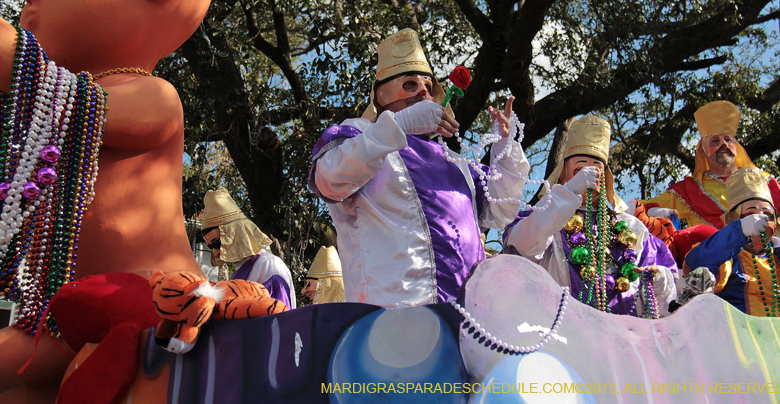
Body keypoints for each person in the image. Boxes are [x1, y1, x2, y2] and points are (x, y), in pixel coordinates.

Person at [0, 0, 213, 401]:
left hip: (144, 297)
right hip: (61, 313)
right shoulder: (46, 106)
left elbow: (89, 109)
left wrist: (14, 62)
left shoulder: (152, 95)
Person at [309, 28, 530, 307]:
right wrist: (397, 126)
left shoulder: (456, 161)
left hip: (466, 322)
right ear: (381, 95)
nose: (423, 92)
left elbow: (500, 212)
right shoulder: (359, 134)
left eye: (429, 86)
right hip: (390, 320)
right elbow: (328, 179)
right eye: (410, 84)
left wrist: (504, 147)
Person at [505, 115, 678, 317]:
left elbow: (667, 302)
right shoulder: (544, 217)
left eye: (596, 169)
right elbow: (524, 246)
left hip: (623, 337)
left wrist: (659, 282)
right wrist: (569, 191)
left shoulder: (632, 228)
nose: (589, 175)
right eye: (579, 169)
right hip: (560, 333)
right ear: (562, 174)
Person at [642, 101, 780, 263]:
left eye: (728, 139)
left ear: (736, 146)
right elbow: (642, 208)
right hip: (715, 268)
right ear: (702, 151)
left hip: (768, 264)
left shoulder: (764, 181)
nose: (723, 145)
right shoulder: (688, 190)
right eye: (715, 141)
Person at [685, 167, 780, 317]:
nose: (760, 219)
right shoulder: (725, 256)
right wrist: (739, 230)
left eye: (767, 215)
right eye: (750, 214)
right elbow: (698, 262)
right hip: (739, 337)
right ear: (736, 219)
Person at [200, 188, 296, 309]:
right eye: (210, 246)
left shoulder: (268, 265)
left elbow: (281, 316)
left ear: (234, 233)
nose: (215, 252)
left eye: (217, 243)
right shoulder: (238, 271)